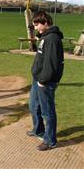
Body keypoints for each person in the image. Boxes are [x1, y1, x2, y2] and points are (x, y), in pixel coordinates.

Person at [27, 11, 64, 151]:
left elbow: (52, 64)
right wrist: (38, 35)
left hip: (45, 81)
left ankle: (50, 140)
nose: (36, 27)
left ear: (46, 23)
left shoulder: (52, 39)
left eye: (37, 25)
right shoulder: (46, 37)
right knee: (33, 106)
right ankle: (39, 130)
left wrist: (43, 80)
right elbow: (42, 43)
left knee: (47, 111)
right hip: (38, 78)